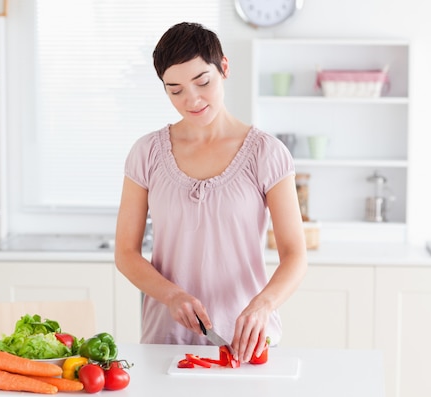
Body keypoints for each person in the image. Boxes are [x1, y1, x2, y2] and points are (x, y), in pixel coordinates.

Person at [114, 22, 307, 363]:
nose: (192, 99)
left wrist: (264, 305)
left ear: (224, 68)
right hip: (166, 344)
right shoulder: (145, 153)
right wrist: (171, 295)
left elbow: (295, 255)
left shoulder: (267, 153)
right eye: (175, 90)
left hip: (248, 344)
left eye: (202, 82)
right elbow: (126, 254)